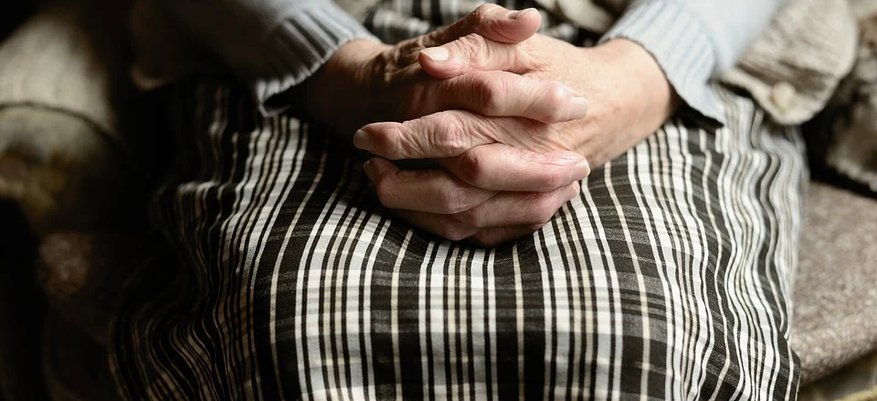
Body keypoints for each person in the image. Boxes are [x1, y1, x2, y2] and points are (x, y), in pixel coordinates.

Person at [113, 0, 804, 399]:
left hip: (642, 47)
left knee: (640, 343)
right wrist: (348, 73)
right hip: (322, 50)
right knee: (289, 337)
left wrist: (633, 80)